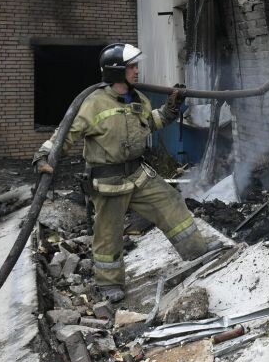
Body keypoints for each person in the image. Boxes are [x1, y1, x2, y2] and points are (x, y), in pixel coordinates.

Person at [34, 43, 211, 302]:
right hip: (108, 180)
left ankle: (196, 251)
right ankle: (108, 284)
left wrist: (171, 108)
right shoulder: (93, 103)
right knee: (108, 233)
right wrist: (43, 156)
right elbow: (65, 134)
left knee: (170, 202)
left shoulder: (138, 98)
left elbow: (150, 123)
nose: (137, 71)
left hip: (138, 174)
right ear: (116, 71)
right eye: (131, 67)